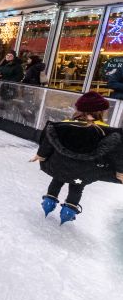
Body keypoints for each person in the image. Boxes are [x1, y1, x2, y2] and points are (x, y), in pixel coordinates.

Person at [30, 92, 123, 224]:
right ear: (101, 111)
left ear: (79, 109)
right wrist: (120, 172)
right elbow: (117, 153)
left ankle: (48, 203)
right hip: (84, 172)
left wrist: (41, 155)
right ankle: (69, 211)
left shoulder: (64, 125)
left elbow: (49, 140)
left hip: (60, 166)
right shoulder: (107, 132)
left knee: (57, 179)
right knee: (77, 187)